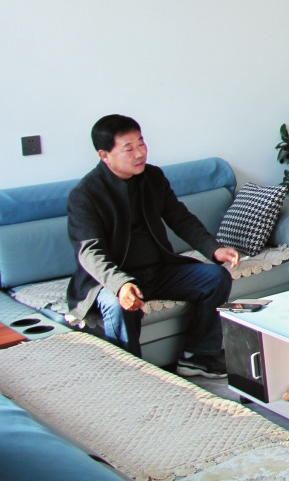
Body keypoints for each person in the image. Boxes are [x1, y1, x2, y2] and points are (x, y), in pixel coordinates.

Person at [66, 115, 240, 378]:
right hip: (113, 278)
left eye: (141, 143)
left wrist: (213, 249)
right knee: (118, 305)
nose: (140, 153)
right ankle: (132, 376)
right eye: (128, 148)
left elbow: (180, 218)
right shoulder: (85, 195)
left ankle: (197, 357)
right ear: (105, 156)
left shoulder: (153, 177)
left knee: (216, 278)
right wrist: (120, 285)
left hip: (157, 270)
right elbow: (89, 252)